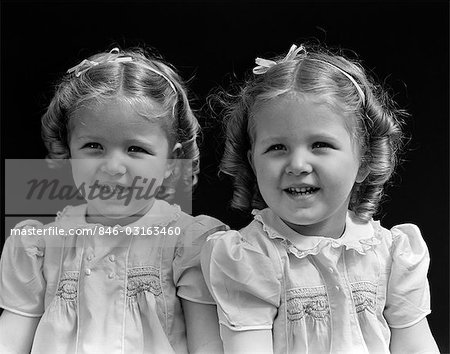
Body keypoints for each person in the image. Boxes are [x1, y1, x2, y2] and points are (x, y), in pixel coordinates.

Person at [201, 44, 439, 353]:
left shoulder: (392, 254)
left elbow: (416, 346)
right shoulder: (250, 257)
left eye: (320, 144)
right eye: (277, 148)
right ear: (252, 162)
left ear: (364, 162)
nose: (298, 164)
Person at [0, 47, 226, 353]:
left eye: (136, 149)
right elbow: (12, 336)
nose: (113, 167)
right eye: (93, 146)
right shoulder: (42, 247)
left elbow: (207, 345)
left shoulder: (186, 245)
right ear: (68, 155)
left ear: (171, 162)